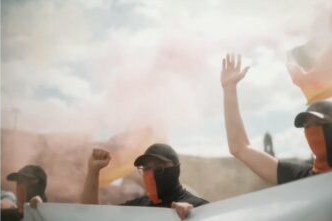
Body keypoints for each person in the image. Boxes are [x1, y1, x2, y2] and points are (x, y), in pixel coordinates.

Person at [220, 53, 331, 185]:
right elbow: (240, 148)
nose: (312, 131)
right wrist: (229, 89)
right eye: (307, 126)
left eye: (319, 123)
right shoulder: (299, 177)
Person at [81, 144, 208, 220]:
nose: (151, 174)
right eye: (146, 168)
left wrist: (195, 216)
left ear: (176, 168)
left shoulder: (199, 207)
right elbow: (91, 215)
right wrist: (93, 170)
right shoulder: (138, 206)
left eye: (158, 168)